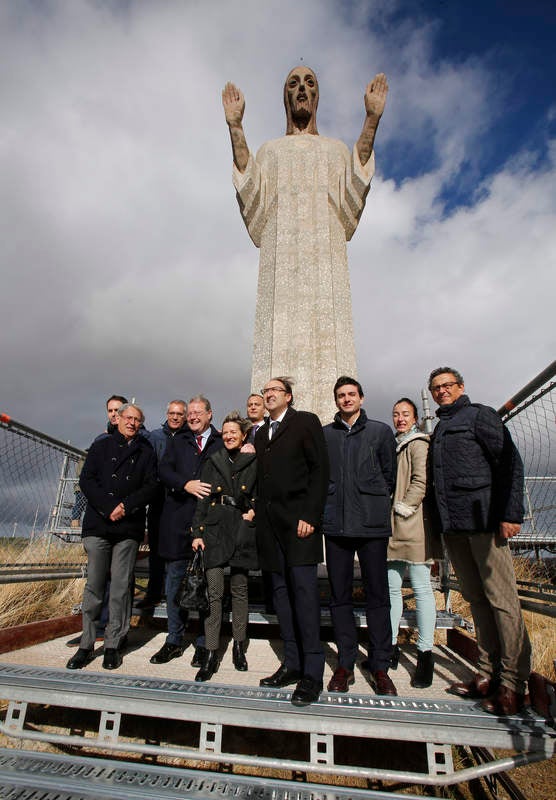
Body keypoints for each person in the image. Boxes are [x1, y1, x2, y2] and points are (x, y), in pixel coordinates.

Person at [223, 68, 388, 422]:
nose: (301, 89)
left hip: (326, 260)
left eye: (310, 82)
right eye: (293, 83)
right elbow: (250, 188)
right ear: (286, 97)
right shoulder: (270, 151)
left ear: (317, 96)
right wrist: (236, 128)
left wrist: (371, 120)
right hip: (279, 264)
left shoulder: (335, 150)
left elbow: (354, 182)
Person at [428, 367, 531, 716]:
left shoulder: (480, 417)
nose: (442, 391)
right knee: (475, 599)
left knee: (503, 602)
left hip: (485, 522)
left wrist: (510, 514)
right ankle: (486, 674)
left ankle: (513, 685)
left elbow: (509, 463)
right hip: (456, 528)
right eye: (436, 388)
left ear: (460, 387)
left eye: (447, 386)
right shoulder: (441, 428)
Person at [66, 403, 158, 671]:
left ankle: (113, 645)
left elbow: (151, 486)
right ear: (117, 419)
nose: (131, 422)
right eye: (127, 417)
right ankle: (86, 644)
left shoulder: (146, 451)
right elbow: (87, 480)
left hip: (127, 528)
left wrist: (126, 507)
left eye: (137, 419)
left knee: (120, 588)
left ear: (141, 424)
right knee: (94, 586)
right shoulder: (101, 446)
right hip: (98, 525)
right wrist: (108, 507)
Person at [255, 377, 329, 706]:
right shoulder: (259, 433)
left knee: (304, 597)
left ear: (288, 396)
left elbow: (320, 470)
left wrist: (311, 516)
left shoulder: (305, 422)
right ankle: (293, 663)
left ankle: (313, 673)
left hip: (299, 525)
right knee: (281, 599)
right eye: (265, 391)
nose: (268, 394)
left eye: (275, 390)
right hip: (269, 528)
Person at [323, 377, 398, 696]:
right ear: (336, 400)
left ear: (362, 398)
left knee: (377, 595)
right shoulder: (326, 434)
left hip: (371, 524)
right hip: (336, 524)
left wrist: (375, 499)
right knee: (339, 596)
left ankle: (380, 665)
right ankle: (345, 663)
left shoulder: (380, 432)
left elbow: (389, 475)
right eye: (341, 395)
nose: (346, 399)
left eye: (351, 394)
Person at [150, 396, 223, 665]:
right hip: (177, 521)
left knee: (205, 586)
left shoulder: (219, 441)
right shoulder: (177, 440)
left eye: (197, 412)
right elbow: (164, 470)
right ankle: (174, 640)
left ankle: (204, 643)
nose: (192, 417)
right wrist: (186, 484)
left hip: (209, 524)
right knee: (174, 584)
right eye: (189, 413)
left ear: (209, 414)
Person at [191, 412, 258, 681]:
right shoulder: (213, 461)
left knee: (240, 591)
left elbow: (259, 495)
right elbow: (202, 500)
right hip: (215, 529)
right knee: (214, 593)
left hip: (241, 529)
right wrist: (197, 532)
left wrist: (252, 513)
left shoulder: (253, 461)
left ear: (243, 436)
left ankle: (239, 646)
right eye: (226, 432)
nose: (229, 435)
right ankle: (210, 652)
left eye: (234, 432)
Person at [387, 398, 437, 689]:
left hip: (413, 523)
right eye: (396, 414)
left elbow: (421, 480)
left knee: (421, 587)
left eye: (405, 414)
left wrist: (405, 506)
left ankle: (425, 654)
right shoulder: (397, 444)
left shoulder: (419, 443)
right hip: (394, 525)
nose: (400, 418)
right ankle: (391, 647)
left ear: (415, 417)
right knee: (392, 588)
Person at [139, 400, 188, 609]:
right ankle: (153, 593)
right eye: (172, 413)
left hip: (181, 502)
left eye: (179, 414)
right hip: (159, 501)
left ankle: (177, 595)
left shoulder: (189, 438)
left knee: (178, 553)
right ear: (166, 414)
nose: (175, 417)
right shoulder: (155, 437)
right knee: (157, 550)